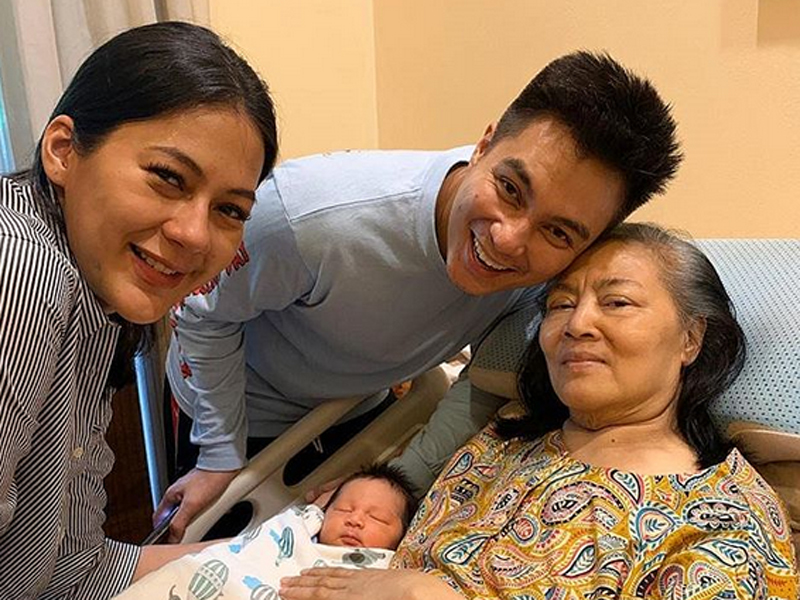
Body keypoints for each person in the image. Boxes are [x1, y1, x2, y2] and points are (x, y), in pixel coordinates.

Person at [159, 50, 684, 542]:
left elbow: (483, 377)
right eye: (509, 189)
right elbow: (204, 316)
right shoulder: (308, 220)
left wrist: (396, 482)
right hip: (237, 412)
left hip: (359, 406)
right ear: (484, 144)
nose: (508, 239)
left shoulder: (553, 280)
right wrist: (219, 456)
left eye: (559, 232)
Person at [279, 223, 798, 599]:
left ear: (691, 338)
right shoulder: (501, 442)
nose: (576, 325)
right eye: (560, 304)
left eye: (616, 302)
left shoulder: (724, 523)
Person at [0, 21, 278, 599]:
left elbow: (59, 565)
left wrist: (268, 555)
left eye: (230, 209)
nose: (195, 235)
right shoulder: (22, 271)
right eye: (168, 178)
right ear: (62, 151)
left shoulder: (94, 310)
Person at [112, 464, 417, 600]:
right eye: (345, 509)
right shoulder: (297, 530)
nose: (356, 520)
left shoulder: (388, 571)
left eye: (377, 518)